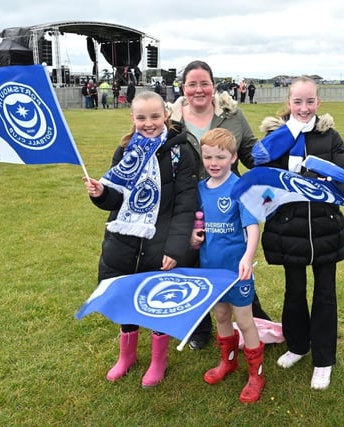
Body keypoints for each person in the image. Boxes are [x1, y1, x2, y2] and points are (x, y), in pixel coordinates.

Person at [252, 76, 344, 390]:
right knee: (293, 292)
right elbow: (260, 170)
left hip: (325, 228)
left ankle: (323, 360)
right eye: (298, 102)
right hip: (288, 229)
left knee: (325, 295)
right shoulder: (275, 136)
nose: (304, 108)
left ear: (318, 103)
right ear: (289, 103)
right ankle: (298, 345)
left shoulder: (329, 136)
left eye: (310, 102)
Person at [82, 91, 199, 388]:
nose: (148, 123)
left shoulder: (181, 152)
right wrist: (100, 193)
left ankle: (159, 360)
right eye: (141, 117)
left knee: (156, 300)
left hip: (160, 242)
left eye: (155, 117)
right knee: (126, 298)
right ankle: (127, 356)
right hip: (124, 241)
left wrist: (175, 248)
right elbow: (115, 198)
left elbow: (186, 204)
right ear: (132, 118)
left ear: (166, 116)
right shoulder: (125, 151)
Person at [166, 59, 272, 350]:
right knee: (194, 261)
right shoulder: (171, 121)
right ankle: (200, 329)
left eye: (204, 83)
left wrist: (274, 153)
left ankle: (251, 318)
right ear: (183, 87)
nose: (198, 89)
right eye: (192, 84)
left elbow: (251, 151)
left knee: (233, 257)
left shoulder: (232, 116)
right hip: (188, 200)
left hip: (227, 200)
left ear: (213, 85)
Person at [190, 127, 265, 403]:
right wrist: (194, 238)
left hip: (237, 271)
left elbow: (253, 227)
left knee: (244, 320)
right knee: (221, 316)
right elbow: (199, 224)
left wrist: (247, 257)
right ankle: (228, 361)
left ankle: (256, 374)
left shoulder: (239, 188)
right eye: (208, 157)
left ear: (233, 157)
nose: (213, 163)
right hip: (211, 270)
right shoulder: (200, 189)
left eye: (220, 157)